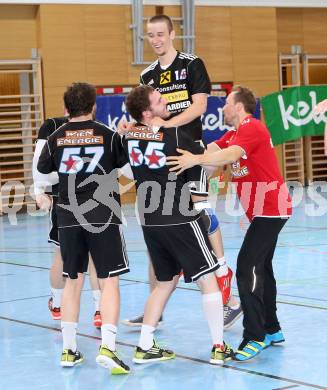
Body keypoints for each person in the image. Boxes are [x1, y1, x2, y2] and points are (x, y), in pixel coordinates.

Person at [121, 14, 241, 328]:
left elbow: (200, 106)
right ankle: (154, 311)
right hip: (163, 160)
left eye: (161, 34)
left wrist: (167, 126)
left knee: (203, 216)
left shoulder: (192, 64)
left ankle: (228, 298)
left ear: (173, 33)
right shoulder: (147, 74)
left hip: (191, 151)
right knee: (156, 231)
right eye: (150, 35)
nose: (156, 40)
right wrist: (134, 128)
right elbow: (145, 115)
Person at [167, 86, 292, 361]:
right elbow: (210, 153)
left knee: (247, 267)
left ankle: (255, 336)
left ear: (238, 107)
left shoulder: (252, 127)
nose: (221, 108)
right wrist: (179, 153)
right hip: (263, 211)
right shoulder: (235, 133)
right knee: (263, 268)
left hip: (272, 209)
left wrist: (196, 159)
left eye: (225, 103)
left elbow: (230, 155)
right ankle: (272, 329)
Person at [115, 84, 233, 365]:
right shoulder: (178, 136)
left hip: (149, 219)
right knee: (208, 278)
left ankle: (144, 345)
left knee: (164, 283)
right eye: (159, 99)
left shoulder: (128, 138)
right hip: (180, 215)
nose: (165, 100)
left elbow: (123, 167)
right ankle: (219, 346)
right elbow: (200, 186)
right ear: (147, 112)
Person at [37, 82, 130, 374]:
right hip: (103, 213)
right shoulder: (107, 134)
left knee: (72, 280)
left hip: (68, 216)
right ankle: (109, 348)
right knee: (109, 280)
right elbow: (128, 170)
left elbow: (42, 173)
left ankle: (69, 350)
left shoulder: (55, 137)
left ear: (67, 108)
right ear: (93, 106)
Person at [33, 116, 103, 328]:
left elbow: (39, 167)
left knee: (62, 255)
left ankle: (57, 305)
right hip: (94, 199)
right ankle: (99, 309)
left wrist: (38, 190)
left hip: (65, 200)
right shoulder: (97, 128)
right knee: (94, 258)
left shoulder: (52, 127)